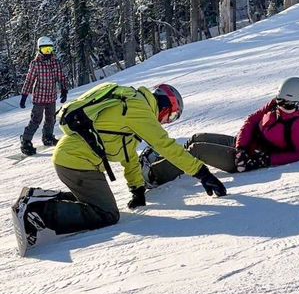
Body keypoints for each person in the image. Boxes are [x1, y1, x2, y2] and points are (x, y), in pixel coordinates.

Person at [12, 83, 227, 247]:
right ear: (164, 106)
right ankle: (38, 212)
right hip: (77, 162)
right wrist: (202, 172)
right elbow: (165, 145)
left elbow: (129, 155)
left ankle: (39, 200)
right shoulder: (139, 110)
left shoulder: (130, 104)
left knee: (96, 203)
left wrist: (137, 189)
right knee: (107, 214)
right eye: (169, 116)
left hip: (71, 159)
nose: (165, 121)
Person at [139, 77, 299, 185]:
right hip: (245, 148)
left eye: (287, 104)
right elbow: (251, 121)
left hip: (251, 159)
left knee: (197, 151)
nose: (281, 106)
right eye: (279, 100)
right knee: (197, 138)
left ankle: (154, 175)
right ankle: (164, 160)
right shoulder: (275, 105)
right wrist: (240, 147)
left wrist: (263, 160)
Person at [19, 36, 68, 155]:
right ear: (39, 50)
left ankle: (48, 137)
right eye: (45, 50)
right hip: (39, 97)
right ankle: (25, 141)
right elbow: (29, 80)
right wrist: (24, 95)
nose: (47, 52)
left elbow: (61, 77)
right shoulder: (35, 64)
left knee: (51, 119)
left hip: (51, 96)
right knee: (36, 119)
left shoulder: (55, 63)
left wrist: (64, 90)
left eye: (49, 50)